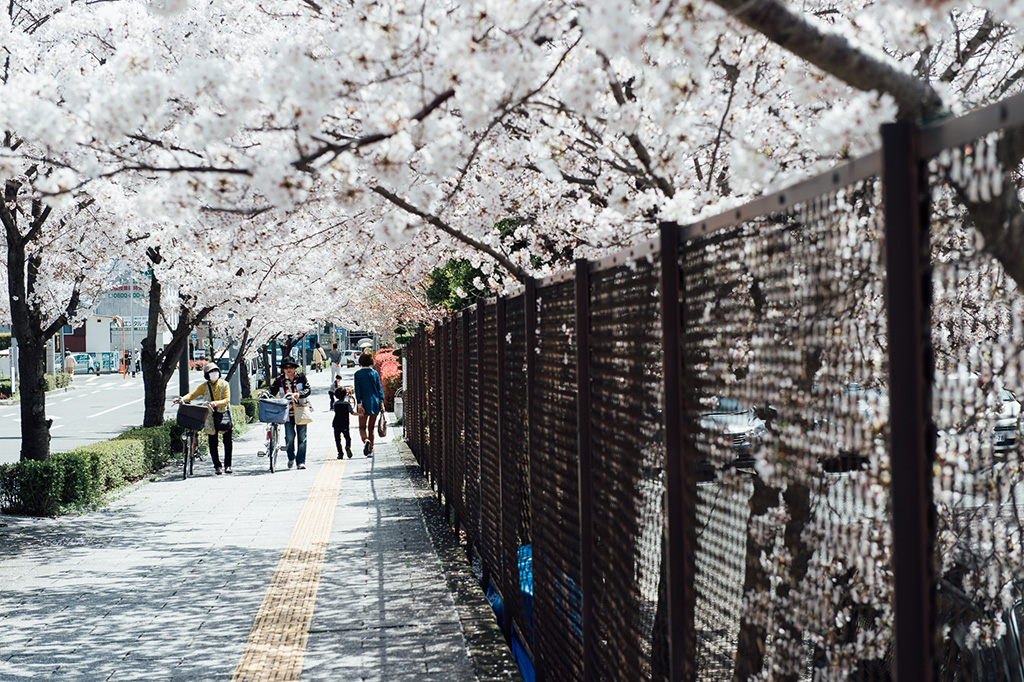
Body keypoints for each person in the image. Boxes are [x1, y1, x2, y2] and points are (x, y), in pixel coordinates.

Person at [178, 362, 233, 475]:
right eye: (211, 372)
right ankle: (217, 466)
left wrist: (215, 403)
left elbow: (227, 400)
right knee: (212, 442)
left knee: (227, 441)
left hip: (224, 414)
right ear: (207, 374)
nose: (214, 374)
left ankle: (228, 465)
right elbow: (193, 395)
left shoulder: (224, 384)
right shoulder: (204, 386)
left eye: (216, 371)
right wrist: (181, 399)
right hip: (210, 417)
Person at [268, 355, 312, 469]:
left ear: (294, 368)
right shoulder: (280, 380)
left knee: (302, 438)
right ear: (283, 369)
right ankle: (291, 457)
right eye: (286, 367)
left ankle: (301, 461)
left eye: (291, 367)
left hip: (300, 410)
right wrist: (265, 393)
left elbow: (308, 389)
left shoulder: (301, 377)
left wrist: (300, 394)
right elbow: (272, 390)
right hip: (287, 413)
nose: (289, 369)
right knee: (289, 438)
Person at [353, 350, 385, 457]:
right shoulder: (375, 373)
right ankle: (371, 450)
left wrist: (359, 405)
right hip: (375, 402)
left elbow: (358, 391)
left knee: (362, 427)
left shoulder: (357, 374)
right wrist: (381, 402)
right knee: (371, 428)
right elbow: (379, 389)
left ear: (360, 361)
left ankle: (365, 440)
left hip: (364, 403)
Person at [333, 387, 355, 459]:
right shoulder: (347, 404)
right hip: (345, 424)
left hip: (336, 423)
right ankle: (347, 446)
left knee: (337, 440)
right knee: (347, 437)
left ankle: (340, 453)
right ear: (345, 395)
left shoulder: (335, 404)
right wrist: (360, 414)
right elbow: (352, 412)